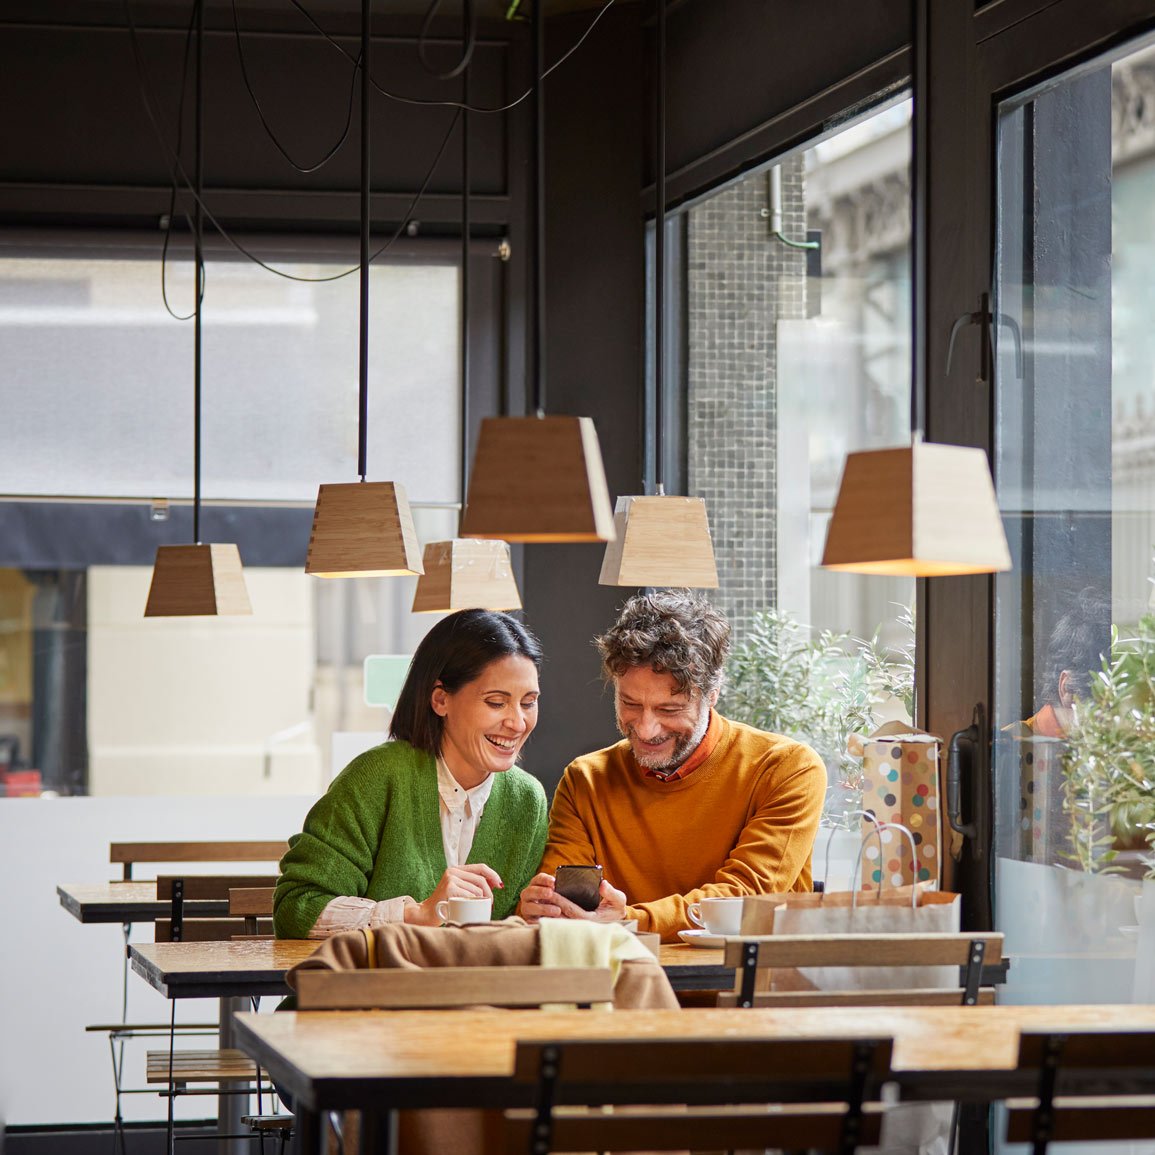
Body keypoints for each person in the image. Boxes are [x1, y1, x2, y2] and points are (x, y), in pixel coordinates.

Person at [518, 590, 826, 941]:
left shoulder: (786, 769)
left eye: (669, 709)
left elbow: (744, 897)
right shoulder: (586, 780)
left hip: (743, 990)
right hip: (623, 988)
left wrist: (627, 922)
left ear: (712, 695)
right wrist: (545, 907)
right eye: (630, 703)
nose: (646, 729)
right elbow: (564, 908)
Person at [274, 609, 548, 938]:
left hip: (473, 990)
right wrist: (416, 913)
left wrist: (531, 914)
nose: (517, 723)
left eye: (528, 702)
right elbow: (297, 907)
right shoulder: (376, 777)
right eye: (496, 702)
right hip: (369, 989)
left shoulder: (528, 800)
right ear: (440, 699)